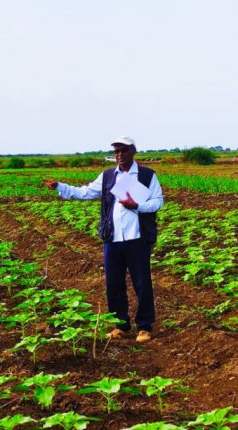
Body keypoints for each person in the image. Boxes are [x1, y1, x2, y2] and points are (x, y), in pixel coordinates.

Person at [44, 136, 164, 343]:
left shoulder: (146, 175)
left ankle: (144, 327)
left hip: (137, 239)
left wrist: (136, 205)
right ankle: (121, 325)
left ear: (133, 151)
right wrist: (59, 187)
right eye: (116, 151)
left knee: (142, 283)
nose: (119, 155)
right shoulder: (108, 176)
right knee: (114, 284)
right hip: (113, 238)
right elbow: (85, 192)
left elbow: (157, 202)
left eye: (124, 150)